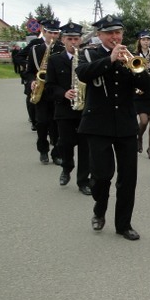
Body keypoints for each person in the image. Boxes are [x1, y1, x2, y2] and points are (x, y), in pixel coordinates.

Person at [75, 15, 150, 241]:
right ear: (99, 35)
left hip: (125, 124)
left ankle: (123, 224)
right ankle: (99, 209)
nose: (115, 37)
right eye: (109, 33)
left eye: (118, 32)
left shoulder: (130, 58)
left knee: (128, 178)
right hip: (98, 124)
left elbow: (148, 88)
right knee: (101, 175)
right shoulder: (89, 54)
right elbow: (83, 74)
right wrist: (110, 59)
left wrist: (138, 69)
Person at [45, 21, 91, 195]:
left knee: (85, 147)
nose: (73, 42)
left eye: (76, 39)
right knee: (66, 143)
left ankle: (83, 180)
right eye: (70, 39)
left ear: (80, 40)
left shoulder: (87, 58)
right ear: (63, 40)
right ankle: (66, 167)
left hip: (85, 110)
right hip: (64, 110)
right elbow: (49, 86)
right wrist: (63, 93)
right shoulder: (55, 60)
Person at [25, 19, 64, 164]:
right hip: (41, 91)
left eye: (56, 33)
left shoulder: (62, 49)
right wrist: (32, 81)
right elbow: (29, 71)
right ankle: (43, 150)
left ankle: (56, 153)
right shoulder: (35, 50)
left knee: (57, 125)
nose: (53, 36)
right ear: (44, 32)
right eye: (50, 33)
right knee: (41, 123)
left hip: (57, 91)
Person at [133, 29, 150, 160]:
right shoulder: (134, 55)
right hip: (140, 92)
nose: (146, 42)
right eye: (143, 40)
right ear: (139, 41)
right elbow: (131, 73)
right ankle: (139, 136)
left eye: (148, 40)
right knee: (143, 120)